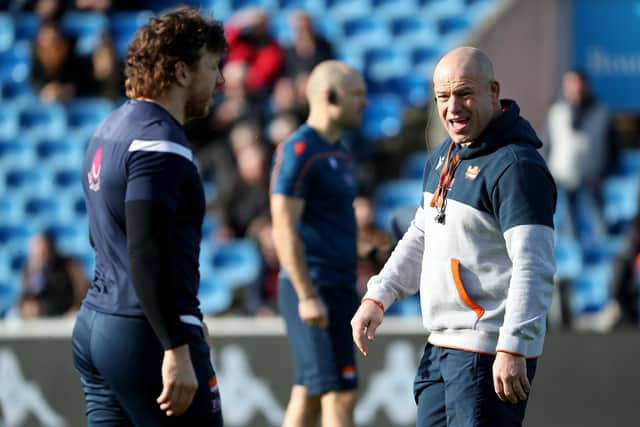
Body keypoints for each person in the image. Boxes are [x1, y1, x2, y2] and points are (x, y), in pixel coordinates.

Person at [351, 46, 557, 427]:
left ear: (493, 92)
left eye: (464, 93)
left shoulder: (517, 167)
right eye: (443, 97)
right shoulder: (445, 154)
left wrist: (513, 345)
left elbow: (535, 263)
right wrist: (379, 295)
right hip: (440, 347)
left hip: (487, 353)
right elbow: (420, 234)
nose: (452, 107)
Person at [71, 7, 227, 426]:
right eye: (213, 66)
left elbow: (102, 238)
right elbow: (145, 249)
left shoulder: (110, 128)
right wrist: (175, 343)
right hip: (143, 334)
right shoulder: (160, 142)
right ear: (180, 72)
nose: (220, 81)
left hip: (96, 323)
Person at [270, 60, 368, 427]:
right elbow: (283, 227)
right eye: (357, 94)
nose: (366, 103)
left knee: (309, 392)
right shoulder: (298, 151)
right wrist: (307, 294)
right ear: (329, 96)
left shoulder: (339, 151)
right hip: (314, 287)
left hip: (338, 285)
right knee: (339, 394)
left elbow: (329, 225)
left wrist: (368, 251)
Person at [19, 231, 88, 318]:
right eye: (36, 248)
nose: (39, 252)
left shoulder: (69, 265)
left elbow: (82, 288)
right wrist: (26, 307)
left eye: (43, 248)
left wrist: (77, 307)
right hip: (39, 313)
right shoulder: (29, 269)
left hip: (63, 311)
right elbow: (25, 296)